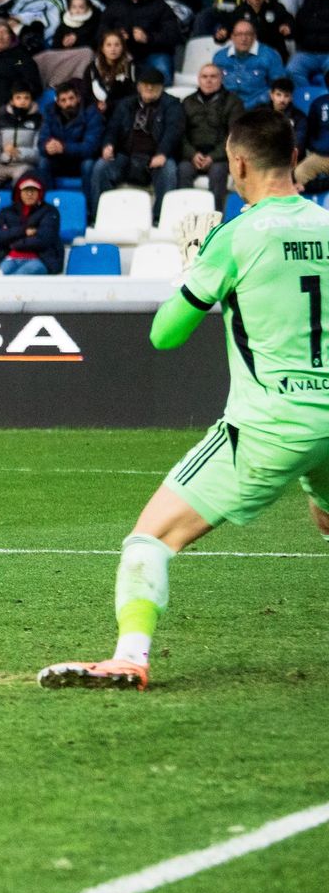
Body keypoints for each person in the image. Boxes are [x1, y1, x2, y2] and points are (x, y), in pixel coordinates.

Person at [39, 109, 329, 691]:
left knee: (149, 538)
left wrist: (200, 266)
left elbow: (164, 334)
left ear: (238, 162)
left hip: (269, 425)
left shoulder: (237, 236)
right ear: (295, 158)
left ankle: (129, 657)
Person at [89, 67, 183, 222]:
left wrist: (162, 153)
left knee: (169, 169)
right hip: (126, 155)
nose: (149, 88)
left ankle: (159, 218)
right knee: (101, 167)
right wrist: (108, 145)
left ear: (162, 87)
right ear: (138, 86)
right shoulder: (126, 104)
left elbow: (173, 132)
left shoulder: (172, 105)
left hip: (154, 156)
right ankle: (99, 216)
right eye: (145, 84)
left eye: (154, 85)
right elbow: (112, 128)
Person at [180, 63, 244, 207]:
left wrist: (213, 156)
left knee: (218, 172)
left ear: (221, 79)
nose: (208, 81)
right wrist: (192, 154)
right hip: (192, 155)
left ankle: (215, 218)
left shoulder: (233, 102)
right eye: (204, 77)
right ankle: (186, 214)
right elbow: (180, 134)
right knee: (183, 170)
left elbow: (235, 135)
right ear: (199, 79)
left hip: (220, 157)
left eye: (213, 77)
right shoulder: (187, 102)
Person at [97, 0, 180, 82]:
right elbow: (100, 33)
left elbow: (173, 35)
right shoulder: (114, 6)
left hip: (153, 53)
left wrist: (148, 38)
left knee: (161, 66)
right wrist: (116, 36)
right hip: (122, 55)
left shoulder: (161, 6)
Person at [0, 174, 61, 275]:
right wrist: (23, 231)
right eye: (26, 190)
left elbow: (44, 238)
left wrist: (14, 244)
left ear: (40, 193)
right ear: (19, 192)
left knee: (18, 278)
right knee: (0, 278)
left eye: (33, 190)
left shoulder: (50, 211)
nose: (30, 194)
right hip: (10, 257)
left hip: (40, 259)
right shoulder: (7, 211)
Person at [37, 78, 103, 189]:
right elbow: (42, 141)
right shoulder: (50, 112)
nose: (68, 103)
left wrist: (64, 148)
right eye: (63, 100)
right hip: (60, 160)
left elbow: (91, 147)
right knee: (43, 162)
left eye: (71, 98)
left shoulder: (91, 112)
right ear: (57, 102)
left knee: (88, 165)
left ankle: (89, 205)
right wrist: (47, 146)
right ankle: (48, 203)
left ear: (78, 98)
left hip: (81, 160)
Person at [213, 19, 286, 110]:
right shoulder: (220, 57)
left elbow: (278, 87)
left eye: (248, 34)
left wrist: (254, 103)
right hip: (226, 109)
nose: (243, 38)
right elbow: (213, 85)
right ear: (232, 37)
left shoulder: (270, 55)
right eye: (239, 34)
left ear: (255, 36)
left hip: (258, 110)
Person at [288, 0, 329, 92]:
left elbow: (310, 23)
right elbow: (301, 21)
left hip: (328, 54)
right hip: (308, 52)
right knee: (292, 69)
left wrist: (315, 22)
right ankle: (307, 99)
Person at [86, 29, 136, 119]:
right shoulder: (92, 68)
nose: (113, 49)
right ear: (102, 48)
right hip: (97, 111)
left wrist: (109, 105)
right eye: (108, 45)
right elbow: (86, 92)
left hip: (122, 112)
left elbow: (133, 95)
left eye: (117, 45)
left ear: (123, 47)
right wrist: (97, 104)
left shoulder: (131, 67)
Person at [297, 85, 329, 190]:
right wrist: (316, 147)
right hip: (322, 156)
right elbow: (311, 130)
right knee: (300, 173)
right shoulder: (319, 103)